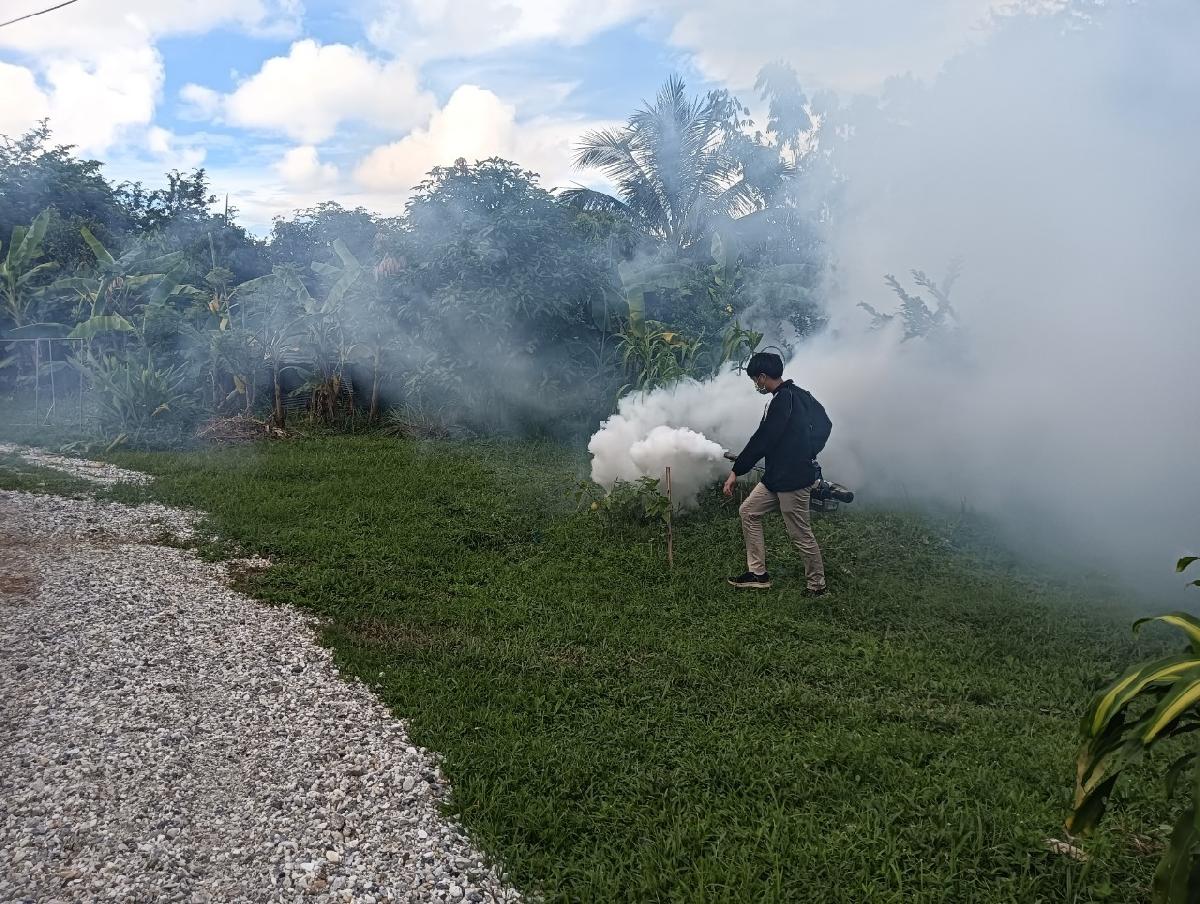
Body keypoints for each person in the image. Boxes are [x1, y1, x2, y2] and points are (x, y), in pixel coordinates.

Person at [722, 352, 832, 595]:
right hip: (775, 477)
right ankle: (758, 574)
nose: (756, 385)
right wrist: (808, 449)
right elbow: (825, 424)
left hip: (793, 480)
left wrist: (736, 471)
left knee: (800, 534)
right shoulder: (801, 395)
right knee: (748, 511)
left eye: (755, 380)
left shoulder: (783, 399)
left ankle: (817, 586)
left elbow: (763, 439)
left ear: (762, 377)